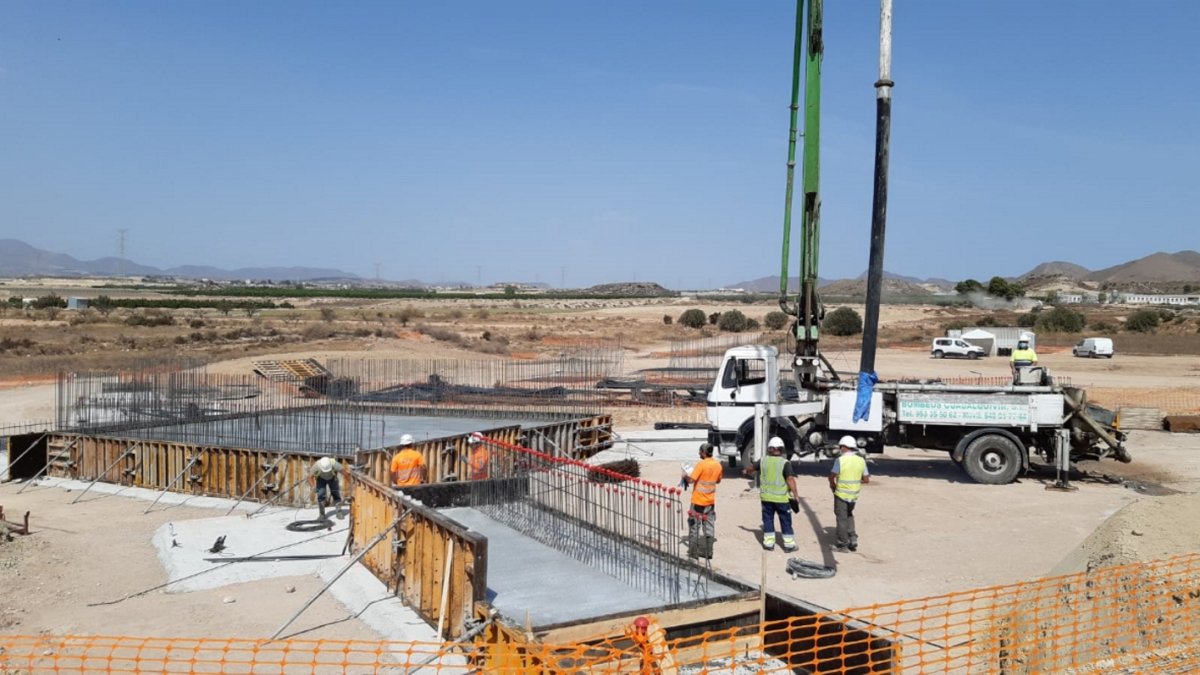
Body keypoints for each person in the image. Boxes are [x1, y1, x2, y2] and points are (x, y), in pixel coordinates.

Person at [746, 436, 801, 552]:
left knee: (768, 519)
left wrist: (746, 471)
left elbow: (751, 468)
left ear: (769, 449)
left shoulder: (763, 460)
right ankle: (789, 545)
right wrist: (796, 495)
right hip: (781, 499)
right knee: (785, 520)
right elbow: (790, 479)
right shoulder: (785, 463)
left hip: (766, 498)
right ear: (781, 449)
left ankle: (769, 543)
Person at [681, 442, 723, 559]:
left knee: (694, 525)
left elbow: (691, 480)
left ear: (704, 453)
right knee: (709, 525)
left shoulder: (701, 465)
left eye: (700, 451)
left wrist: (684, 476)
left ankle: (693, 552)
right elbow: (718, 480)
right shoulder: (718, 465)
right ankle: (709, 552)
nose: (699, 453)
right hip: (710, 502)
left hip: (698, 502)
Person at [828, 436, 870, 552]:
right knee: (849, 514)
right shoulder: (861, 460)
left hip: (841, 493)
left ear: (844, 447)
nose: (840, 449)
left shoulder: (840, 460)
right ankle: (853, 539)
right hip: (854, 495)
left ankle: (842, 544)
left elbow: (832, 476)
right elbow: (866, 480)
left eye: (841, 447)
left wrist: (832, 485)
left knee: (841, 518)